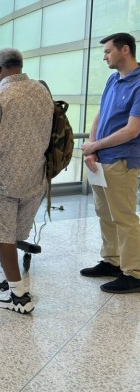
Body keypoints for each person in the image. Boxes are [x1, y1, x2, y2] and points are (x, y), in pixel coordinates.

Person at [0, 47, 53, 314]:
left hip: (0, 179)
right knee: (15, 232)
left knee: (1, 234)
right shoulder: (42, 91)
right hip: (34, 176)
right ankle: (4, 278)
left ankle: (18, 295)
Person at [80, 32, 140, 293]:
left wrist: (95, 146)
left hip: (122, 160)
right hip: (101, 160)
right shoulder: (113, 80)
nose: (104, 56)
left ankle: (134, 273)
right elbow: (100, 114)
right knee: (104, 213)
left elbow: (132, 130)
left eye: (107, 51)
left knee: (124, 217)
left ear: (124, 50)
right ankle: (112, 261)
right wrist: (92, 149)